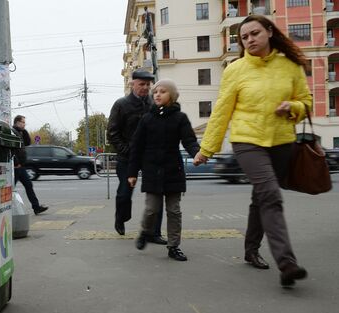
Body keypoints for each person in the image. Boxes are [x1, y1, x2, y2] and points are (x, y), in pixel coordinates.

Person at [193, 15, 311, 286]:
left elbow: (306, 102)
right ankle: (287, 262)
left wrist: (292, 108)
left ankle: (250, 249)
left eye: (254, 33)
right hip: (247, 141)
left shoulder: (290, 65)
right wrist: (206, 149)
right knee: (271, 194)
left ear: (269, 32)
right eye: (244, 38)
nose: (249, 40)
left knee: (262, 198)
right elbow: (222, 112)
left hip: (282, 142)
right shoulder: (236, 70)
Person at [128, 79, 199, 261]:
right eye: (156, 91)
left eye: (163, 91)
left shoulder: (180, 118)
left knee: (174, 211)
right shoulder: (147, 119)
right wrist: (132, 173)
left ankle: (174, 246)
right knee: (152, 209)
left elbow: (189, 140)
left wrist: (197, 154)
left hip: (173, 170)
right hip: (152, 170)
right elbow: (136, 147)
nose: (157, 94)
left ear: (172, 96)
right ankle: (145, 232)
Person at [107, 70, 166, 244]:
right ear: (132, 84)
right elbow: (112, 133)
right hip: (127, 157)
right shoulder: (121, 104)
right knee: (125, 193)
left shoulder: (154, 104)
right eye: (142, 84)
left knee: (157, 193)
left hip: (150, 157)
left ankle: (154, 232)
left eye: (148, 85)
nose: (145, 88)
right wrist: (125, 150)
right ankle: (121, 218)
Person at [12, 115, 48, 215]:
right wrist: (16, 163)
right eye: (23, 122)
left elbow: (27, 142)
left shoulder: (21, 132)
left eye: (24, 123)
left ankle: (36, 207)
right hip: (15, 167)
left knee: (29, 185)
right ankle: (7, 209)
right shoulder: (13, 132)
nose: (24, 124)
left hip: (21, 167)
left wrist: (24, 130)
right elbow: (12, 150)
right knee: (10, 189)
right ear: (17, 122)